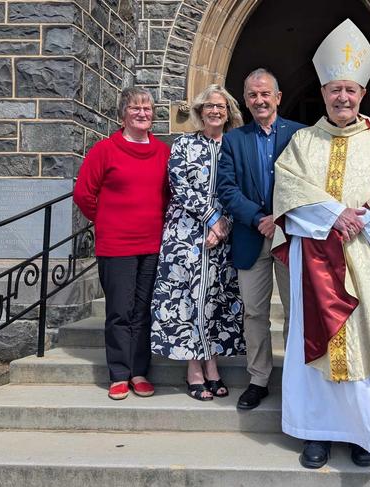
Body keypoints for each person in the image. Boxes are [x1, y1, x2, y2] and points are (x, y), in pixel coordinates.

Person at [272, 19, 370, 469]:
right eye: (334, 89)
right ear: (323, 92)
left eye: (351, 89)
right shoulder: (301, 143)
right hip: (317, 263)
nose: (342, 96)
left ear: (362, 93)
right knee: (318, 345)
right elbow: (286, 191)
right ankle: (317, 433)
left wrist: (363, 220)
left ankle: (368, 433)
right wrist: (331, 214)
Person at [74, 87, 170, 400]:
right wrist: (104, 222)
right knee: (119, 311)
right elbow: (83, 194)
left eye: (147, 108)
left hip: (152, 244)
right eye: (135, 108)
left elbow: (168, 197)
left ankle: (139, 371)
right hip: (116, 245)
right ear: (122, 114)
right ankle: (118, 373)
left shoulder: (162, 152)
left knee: (143, 311)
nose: (142, 113)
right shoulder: (105, 150)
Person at [216, 68, 304, 410]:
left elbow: (308, 184)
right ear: (246, 100)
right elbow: (227, 188)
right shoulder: (234, 140)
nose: (259, 100)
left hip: (291, 236)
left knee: (296, 311)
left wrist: (280, 218)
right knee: (254, 313)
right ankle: (259, 379)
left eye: (265, 93)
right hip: (251, 237)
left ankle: (297, 376)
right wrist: (257, 218)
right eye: (252, 95)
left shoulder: (301, 135)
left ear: (278, 98)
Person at [151, 84, 245, 401]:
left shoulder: (235, 145)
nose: (215, 111)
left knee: (215, 300)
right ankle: (195, 368)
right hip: (186, 233)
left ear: (229, 111)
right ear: (200, 111)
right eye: (208, 106)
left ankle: (213, 364)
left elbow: (241, 188)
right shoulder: (185, 144)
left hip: (224, 234)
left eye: (220, 106)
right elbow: (179, 185)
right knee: (191, 299)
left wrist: (224, 225)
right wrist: (211, 219)